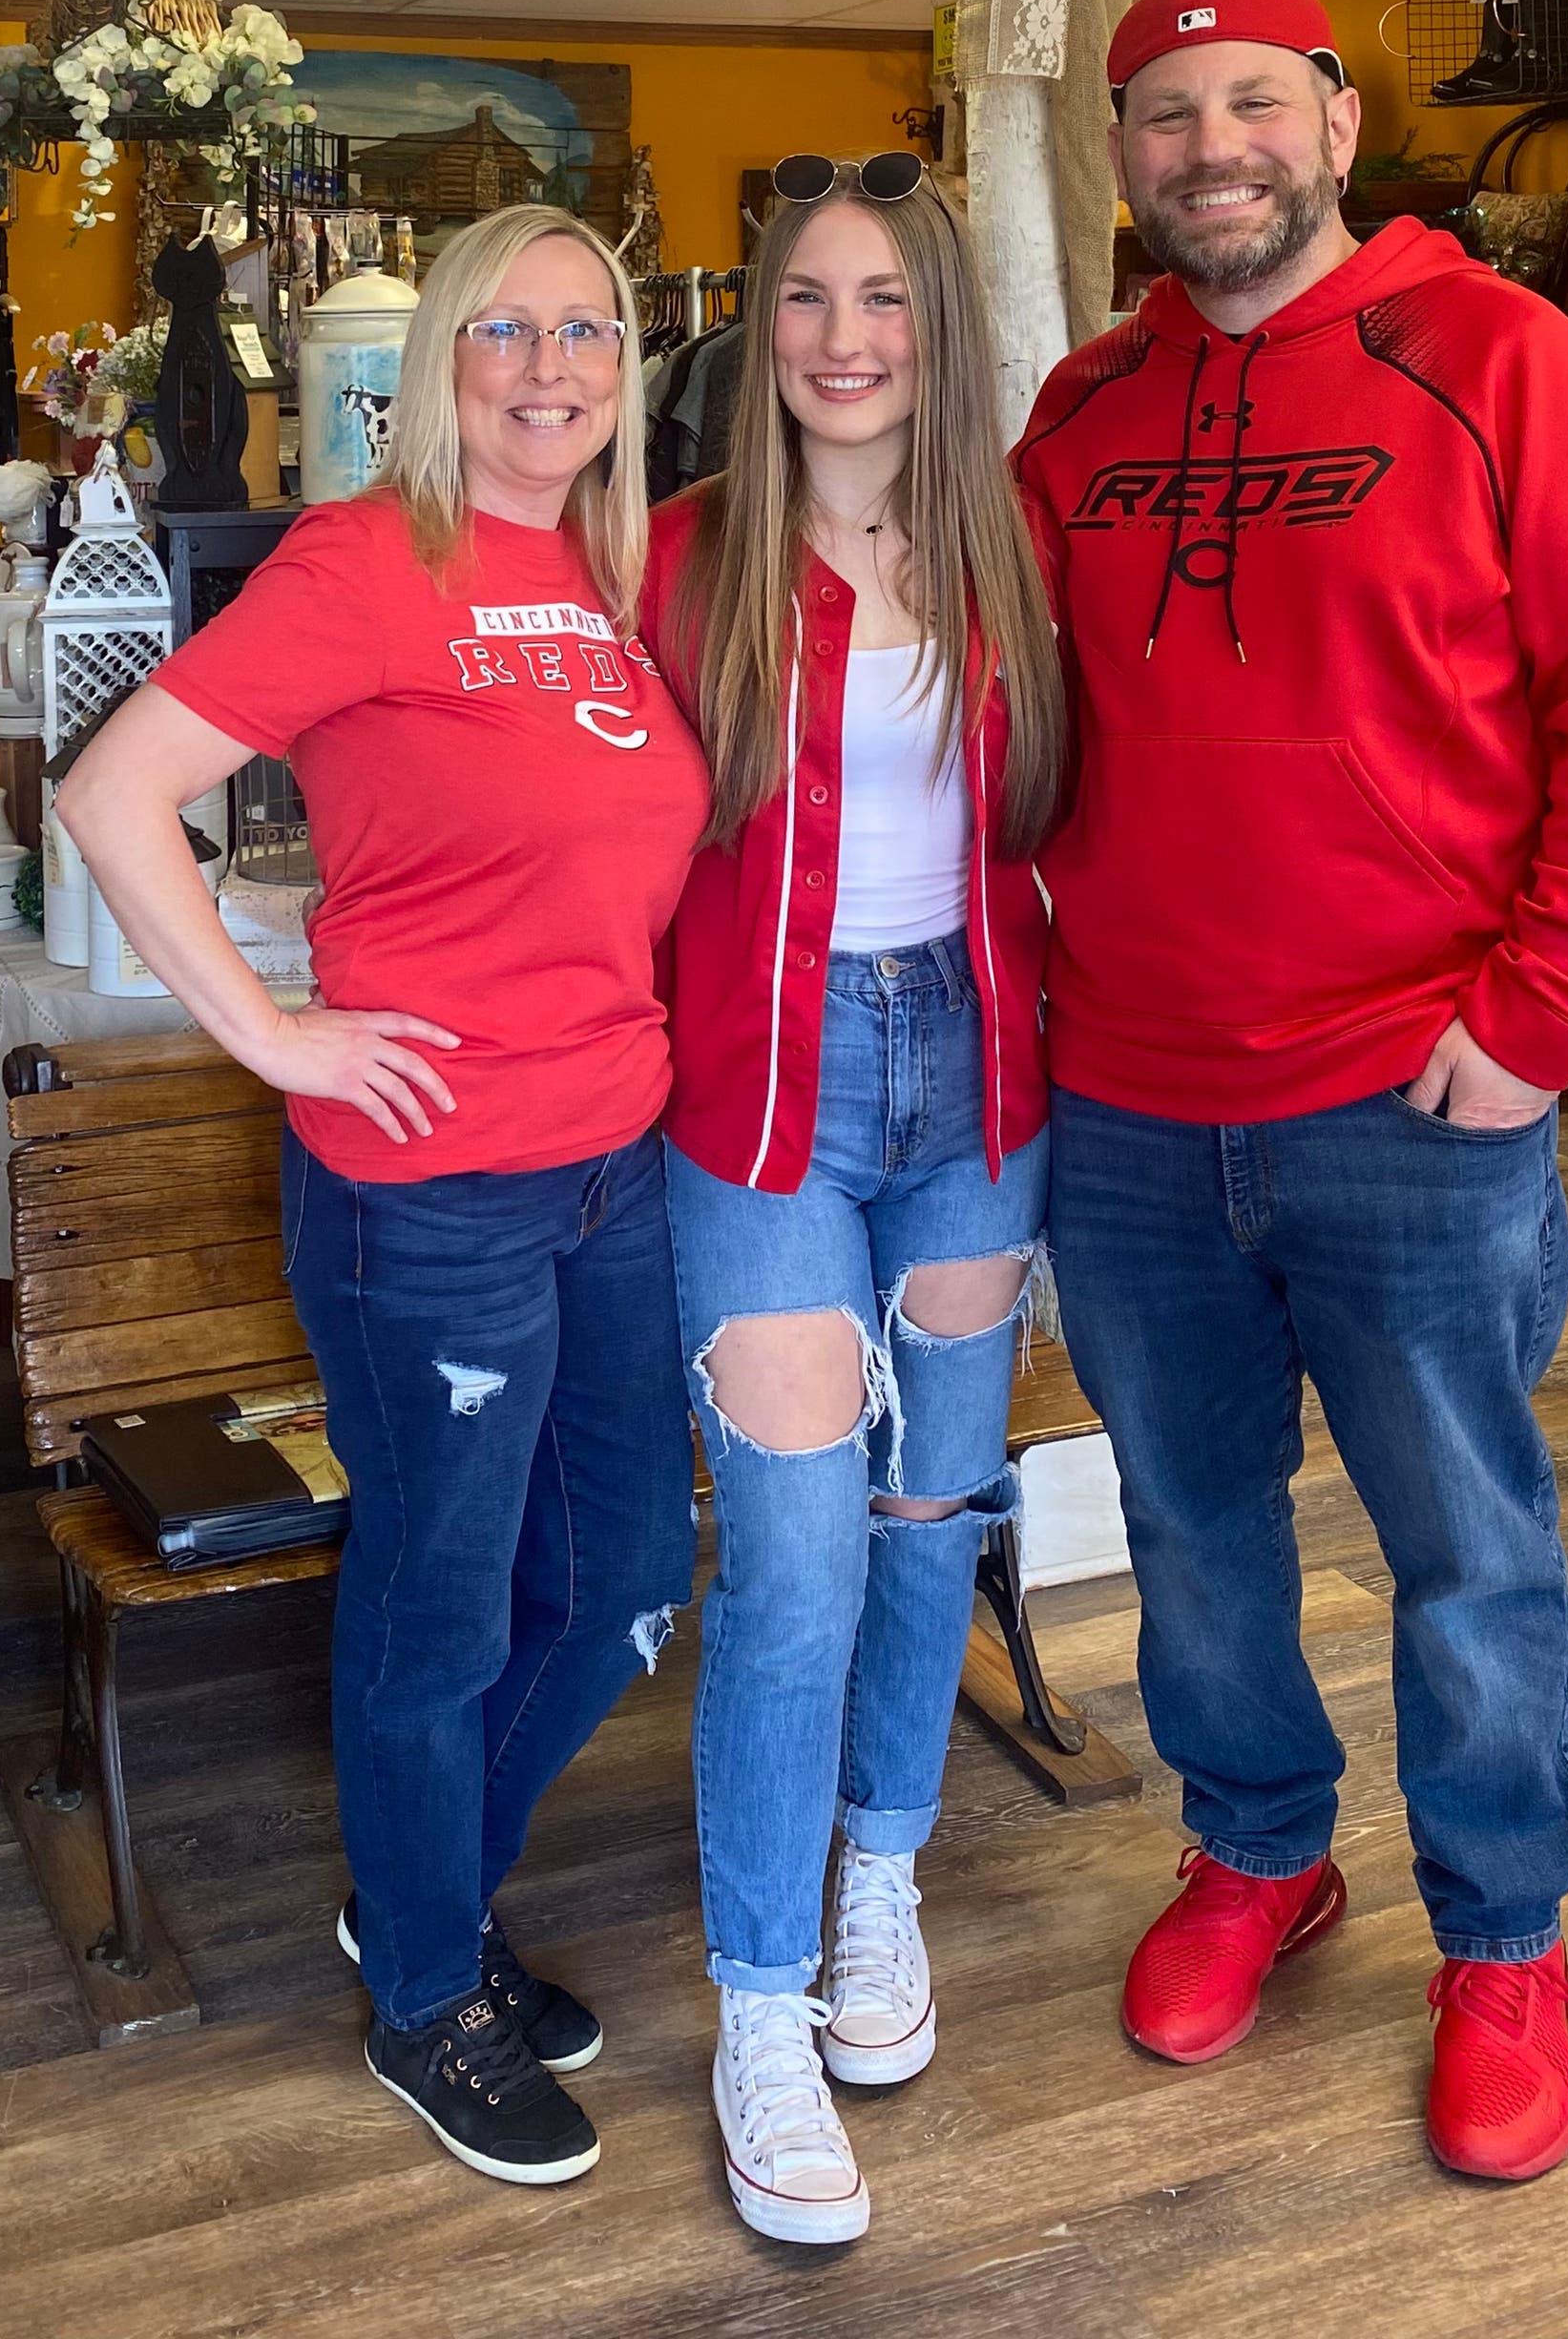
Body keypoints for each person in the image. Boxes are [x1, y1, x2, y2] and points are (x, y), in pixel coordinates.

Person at [1017, 0, 1568, 2185]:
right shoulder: (1081, 410)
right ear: (1122, 156)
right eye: (1161, 115)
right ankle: (1258, 1852)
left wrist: (1542, 1014)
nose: (1208, 149)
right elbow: (1018, 733)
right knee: (1198, 1535)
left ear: (1329, 116)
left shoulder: (1503, 362)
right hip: (1126, 1105)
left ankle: (1502, 1942)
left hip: (1414, 1103)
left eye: (1247, 105)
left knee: (1464, 1553)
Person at [58, 203, 709, 2191]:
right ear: (443, 359)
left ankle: (422, 1895)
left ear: (625, 365)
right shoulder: (367, 559)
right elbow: (112, 791)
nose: (549, 367)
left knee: (611, 1585)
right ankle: (430, 1986)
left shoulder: (616, 567)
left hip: (620, 1162)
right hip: (428, 1195)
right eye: (506, 331)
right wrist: (275, 1032)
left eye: (585, 330)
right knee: (437, 1615)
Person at [644, 154, 1062, 2247]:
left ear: (937, 327)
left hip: (978, 1080)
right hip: (762, 1094)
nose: (839, 339)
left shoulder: (1010, 550)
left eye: (880, 299)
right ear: (762, 329)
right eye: (804, 298)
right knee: (798, 1551)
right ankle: (758, 2003)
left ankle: (880, 1881)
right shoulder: (687, 559)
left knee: (932, 1516)